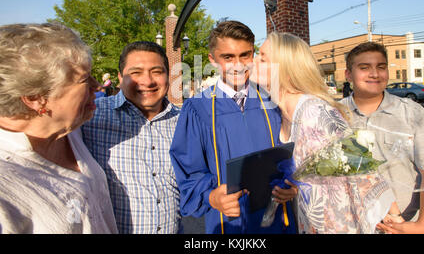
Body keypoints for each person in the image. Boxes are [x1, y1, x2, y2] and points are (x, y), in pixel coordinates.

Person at [252, 32, 401, 234]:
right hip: (311, 223)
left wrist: (395, 218)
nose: (253, 60)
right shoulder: (281, 113)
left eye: (262, 57)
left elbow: (362, 169)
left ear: (285, 70)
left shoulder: (316, 113)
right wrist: (295, 188)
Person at [169, 21, 298, 234]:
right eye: (227, 57)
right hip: (227, 223)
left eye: (245, 55)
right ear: (212, 60)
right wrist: (210, 196)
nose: (238, 65)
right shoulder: (197, 108)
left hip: (276, 219)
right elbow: (189, 170)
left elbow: (291, 155)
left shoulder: (274, 101)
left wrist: (292, 184)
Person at [0, 23, 118, 234]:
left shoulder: (70, 128)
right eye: (84, 79)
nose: (97, 86)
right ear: (36, 98)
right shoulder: (6, 192)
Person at [341, 42, 424, 234]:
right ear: (348, 74)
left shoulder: (411, 113)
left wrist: (423, 226)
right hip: (349, 225)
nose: (374, 74)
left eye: (381, 67)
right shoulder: (334, 115)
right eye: (364, 68)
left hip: (403, 226)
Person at [82, 41, 181, 234]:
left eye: (157, 71)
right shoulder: (91, 117)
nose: (148, 81)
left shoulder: (184, 122)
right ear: (120, 77)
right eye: (136, 73)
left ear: (168, 76)